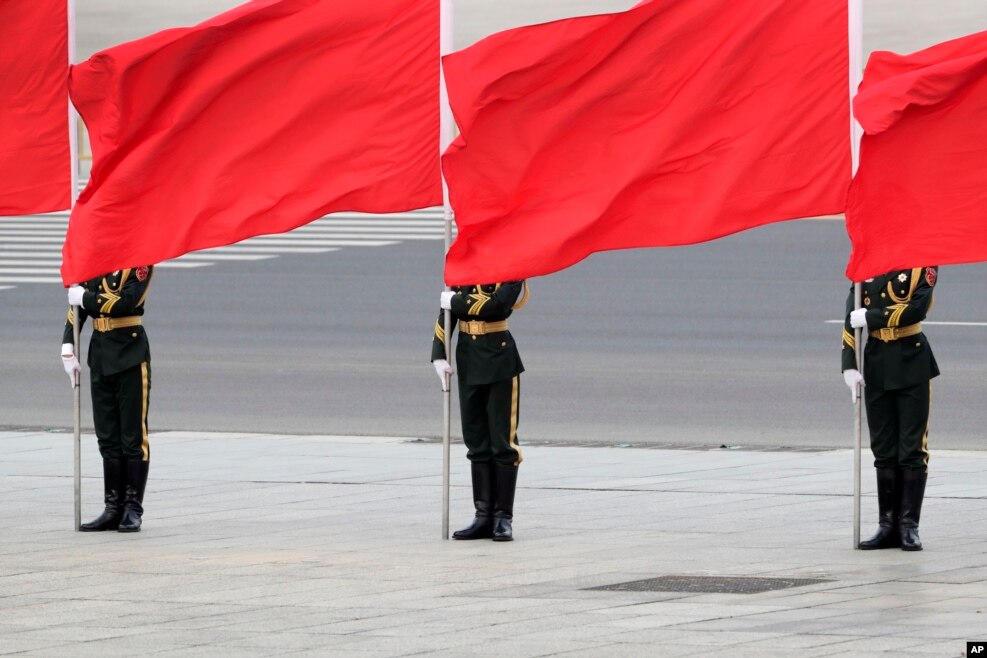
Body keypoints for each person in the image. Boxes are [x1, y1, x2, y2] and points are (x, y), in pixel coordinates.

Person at [842, 266, 938, 551]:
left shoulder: (923, 265)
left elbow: (916, 309)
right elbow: (850, 315)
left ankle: (909, 526)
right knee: (883, 448)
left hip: (911, 361)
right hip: (876, 363)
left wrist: (870, 317)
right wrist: (849, 364)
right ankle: (887, 525)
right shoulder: (868, 262)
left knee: (911, 448)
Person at [431, 281, 529, 541]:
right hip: (468, 358)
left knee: (503, 442)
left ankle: (502, 518)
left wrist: (455, 302)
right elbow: (446, 309)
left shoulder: (510, 264)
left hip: (499, 359)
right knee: (476, 440)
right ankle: (483, 515)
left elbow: (498, 303)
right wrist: (439, 353)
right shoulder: (466, 261)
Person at [61, 266, 154, 533]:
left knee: (133, 437)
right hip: (100, 354)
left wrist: (85, 298)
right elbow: (77, 307)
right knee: (108, 436)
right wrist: (68, 343)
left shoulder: (140, 261)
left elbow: (125, 302)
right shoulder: (96, 260)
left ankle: (132, 509)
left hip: (130, 354)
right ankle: (113, 508)